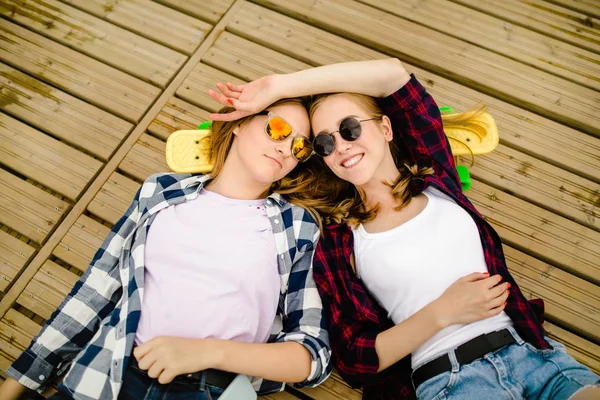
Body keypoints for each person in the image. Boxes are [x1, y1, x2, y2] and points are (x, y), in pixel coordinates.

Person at [208, 59, 600, 400]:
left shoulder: (438, 177)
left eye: (349, 128)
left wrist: (281, 86)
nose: (340, 145)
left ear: (386, 129)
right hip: (453, 381)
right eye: (325, 143)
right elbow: (354, 356)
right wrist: (442, 313)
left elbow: (394, 76)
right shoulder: (340, 243)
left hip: (534, 354)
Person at [0, 97, 331, 400]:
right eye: (278, 129)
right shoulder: (159, 192)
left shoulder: (297, 227)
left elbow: (313, 355)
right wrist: (16, 383)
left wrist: (211, 352)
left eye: (301, 147)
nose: (287, 148)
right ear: (240, 123)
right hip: (106, 377)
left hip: (210, 389)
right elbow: (97, 291)